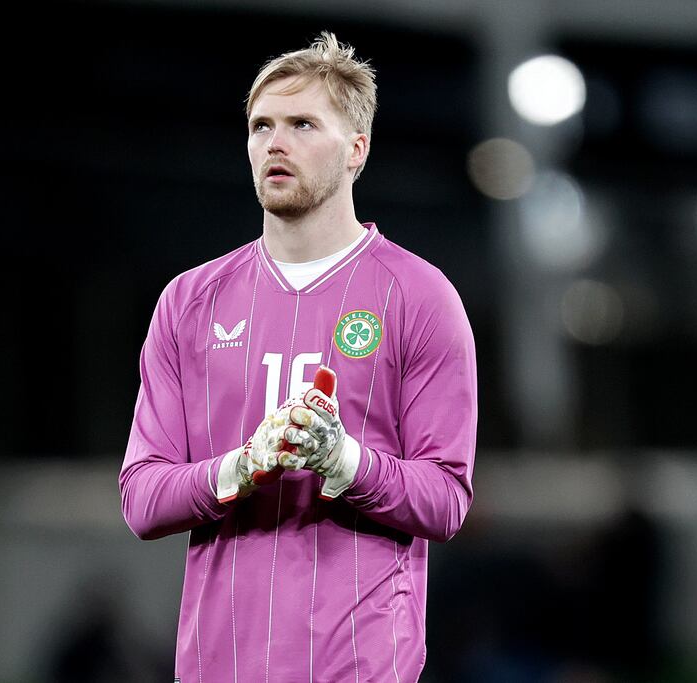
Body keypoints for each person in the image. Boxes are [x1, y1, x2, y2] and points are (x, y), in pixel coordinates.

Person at [120, 31, 477, 682]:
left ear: (356, 150)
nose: (274, 143)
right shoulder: (188, 302)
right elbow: (142, 498)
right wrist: (242, 466)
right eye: (261, 126)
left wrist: (346, 461)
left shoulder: (419, 297)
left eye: (302, 124)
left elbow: (447, 499)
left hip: (361, 669)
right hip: (218, 668)